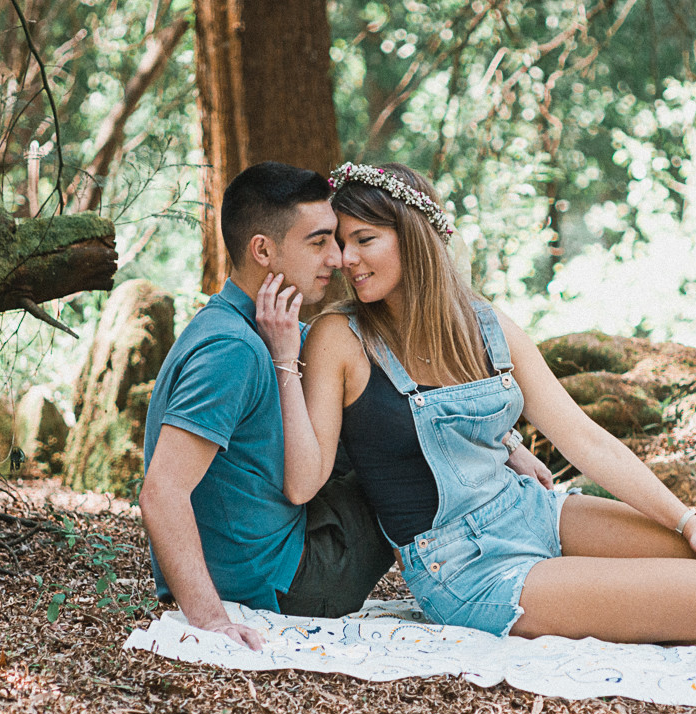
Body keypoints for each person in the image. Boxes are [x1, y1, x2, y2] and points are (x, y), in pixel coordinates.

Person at [262, 161, 696, 644]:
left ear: (412, 239)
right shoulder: (339, 337)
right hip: (463, 566)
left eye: (363, 240)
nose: (345, 259)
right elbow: (304, 483)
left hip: (527, 508)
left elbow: (587, 439)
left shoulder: (483, 323)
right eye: (338, 242)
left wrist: (689, 523)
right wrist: (287, 358)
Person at [140, 161, 549, 649]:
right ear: (263, 250)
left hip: (268, 556)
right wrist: (210, 620)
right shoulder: (232, 351)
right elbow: (161, 491)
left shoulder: (257, 327)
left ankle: (511, 543)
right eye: (318, 242)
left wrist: (507, 444)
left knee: (365, 403)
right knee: (390, 449)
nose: (336, 258)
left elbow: (386, 375)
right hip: (285, 583)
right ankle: (485, 575)